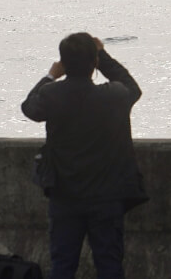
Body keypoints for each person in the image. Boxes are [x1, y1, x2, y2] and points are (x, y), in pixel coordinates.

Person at [22, 33, 148, 278]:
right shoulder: (113, 96)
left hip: (65, 195)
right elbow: (133, 88)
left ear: (64, 63)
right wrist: (103, 57)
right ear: (93, 64)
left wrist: (50, 76)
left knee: (63, 265)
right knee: (110, 264)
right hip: (107, 195)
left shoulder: (52, 94)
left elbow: (29, 107)